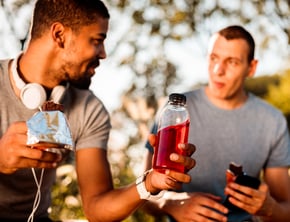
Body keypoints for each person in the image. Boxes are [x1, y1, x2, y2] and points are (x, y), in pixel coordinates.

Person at [0, 0, 196, 221]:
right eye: (96, 41)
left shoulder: (89, 109)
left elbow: (97, 208)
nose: (103, 54)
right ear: (59, 34)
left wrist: (149, 183)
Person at [143, 25, 290, 222]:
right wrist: (171, 204)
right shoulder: (174, 112)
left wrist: (269, 208)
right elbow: (143, 195)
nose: (218, 70)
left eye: (232, 62)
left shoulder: (272, 121)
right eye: (213, 58)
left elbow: (285, 207)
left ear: (251, 67)